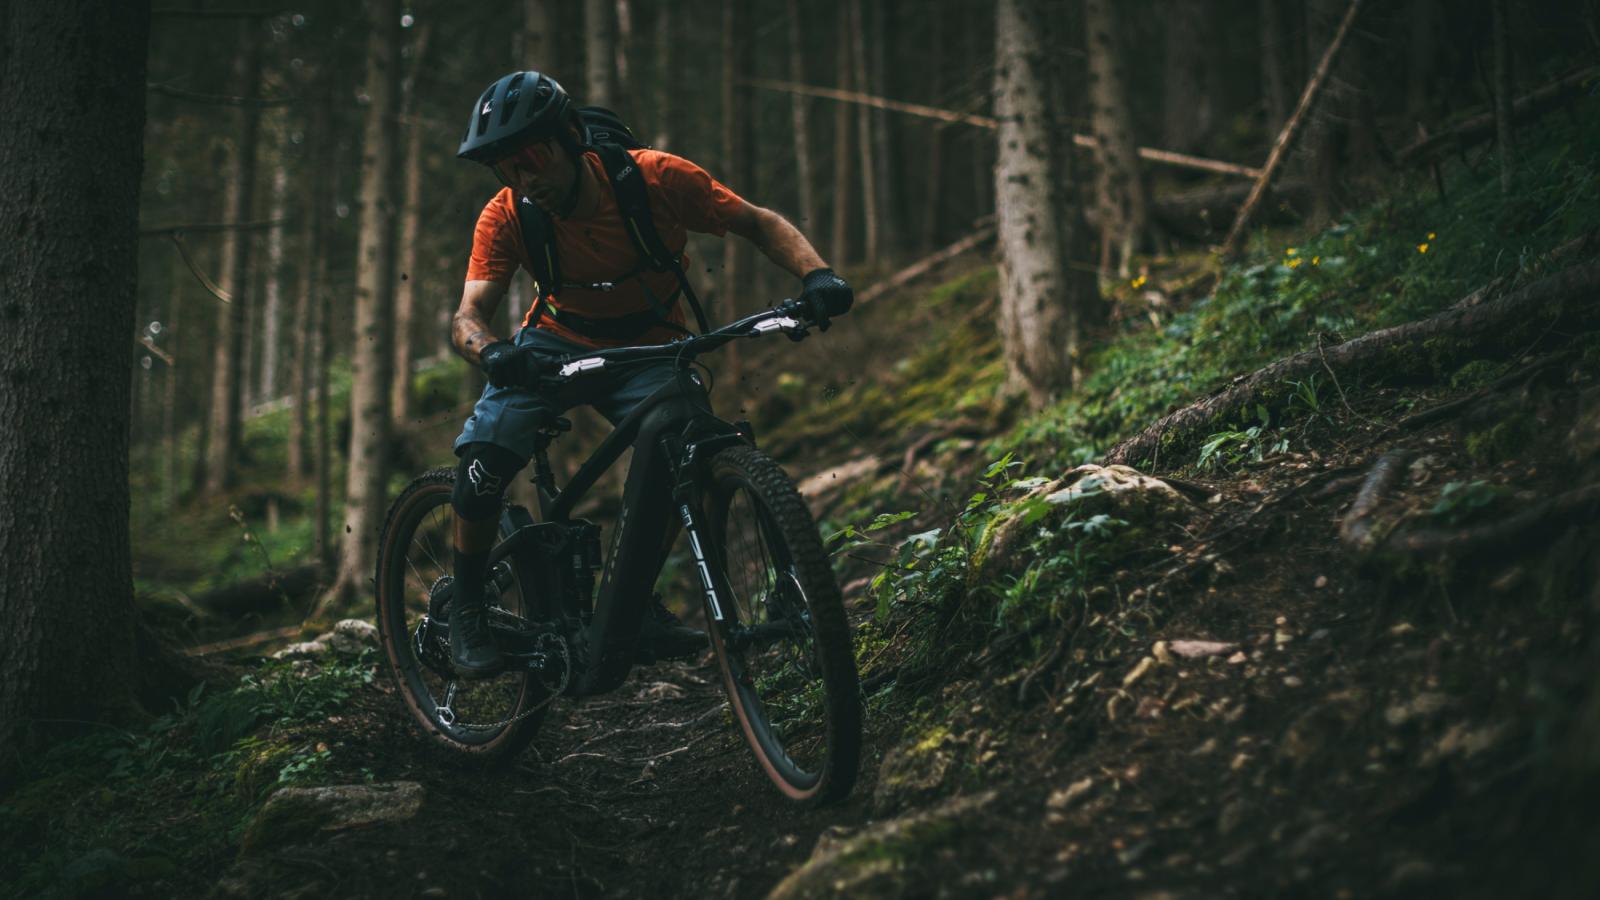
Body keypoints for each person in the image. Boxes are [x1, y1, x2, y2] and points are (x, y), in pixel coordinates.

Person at [444, 71, 854, 679]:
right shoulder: (506, 214)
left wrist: (817, 275)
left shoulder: (655, 178)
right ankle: (468, 609)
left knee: (680, 452)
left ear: (571, 137)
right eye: (507, 168)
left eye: (533, 158)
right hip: (553, 343)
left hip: (653, 343)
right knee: (486, 456)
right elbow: (467, 317)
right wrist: (494, 353)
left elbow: (759, 223)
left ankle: (633, 606)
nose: (524, 179)